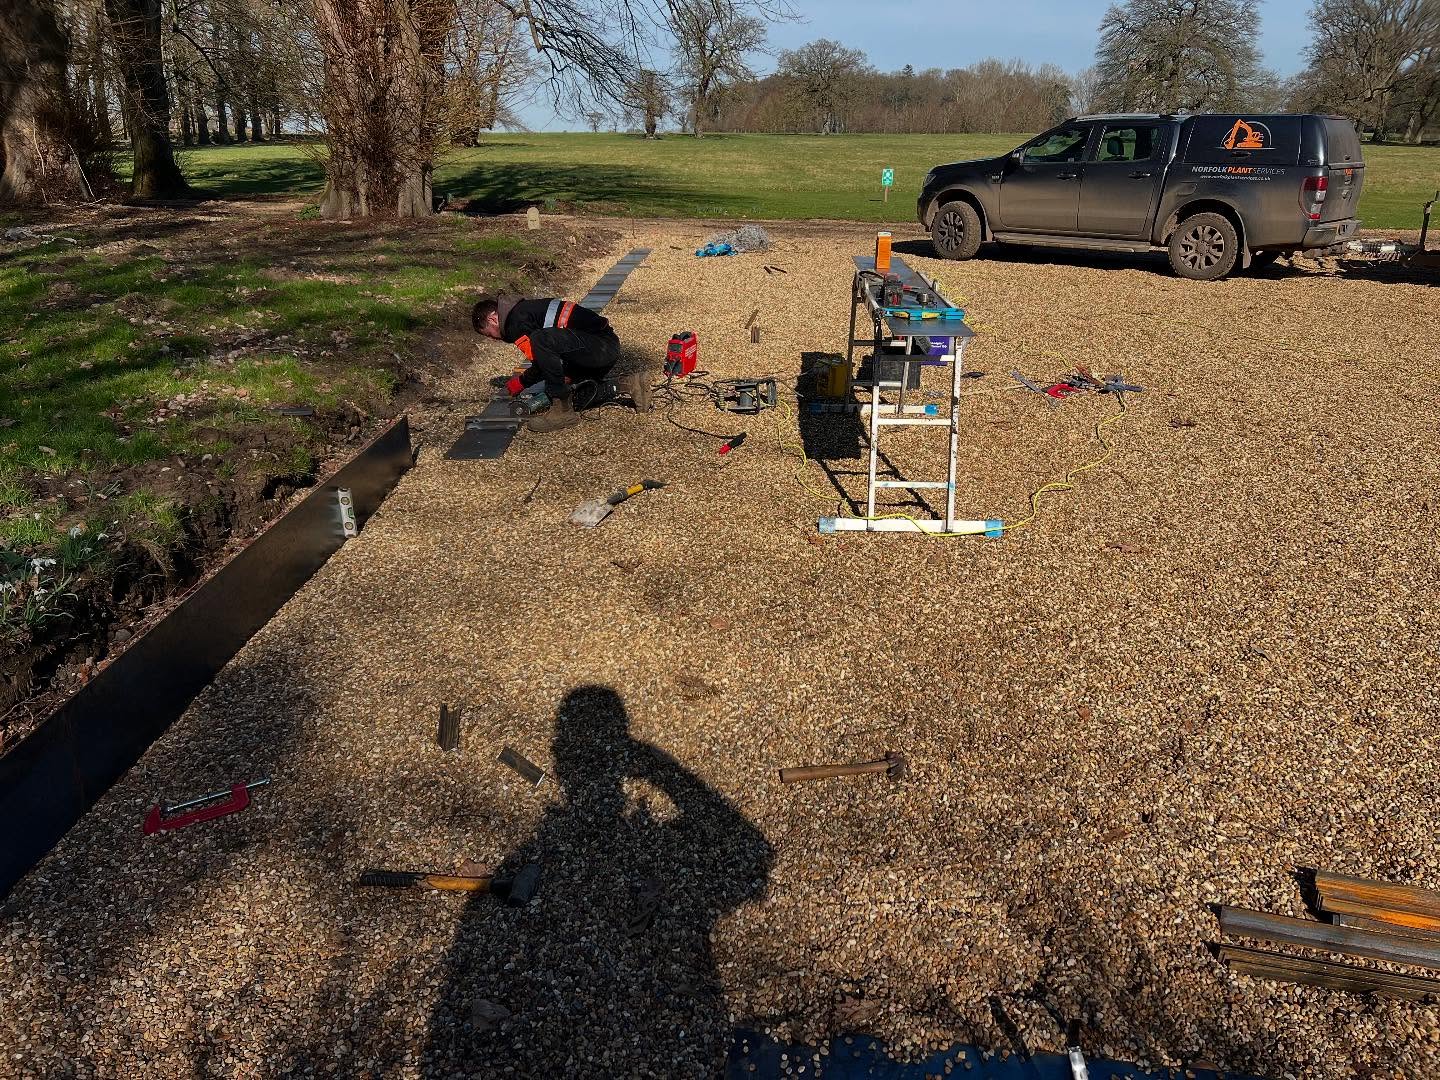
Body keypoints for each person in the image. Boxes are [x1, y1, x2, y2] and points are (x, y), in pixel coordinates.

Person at [473, 293, 651, 432]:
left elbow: (541, 361)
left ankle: (562, 410)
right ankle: (629, 384)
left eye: (489, 334)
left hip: (599, 348)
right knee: (579, 398)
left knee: (540, 340)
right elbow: (549, 358)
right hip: (599, 349)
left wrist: (522, 382)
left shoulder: (515, 322)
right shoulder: (525, 311)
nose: (494, 339)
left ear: (493, 319)